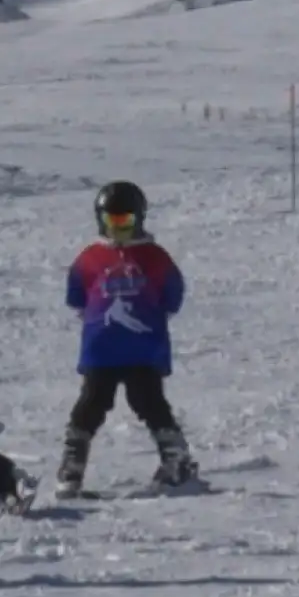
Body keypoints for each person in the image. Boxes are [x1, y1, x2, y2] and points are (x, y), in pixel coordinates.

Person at [57, 180, 199, 499]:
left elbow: (172, 295)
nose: (119, 229)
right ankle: (72, 466)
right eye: (113, 222)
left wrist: (152, 318)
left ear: (139, 219)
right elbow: (76, 295)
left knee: (149, 403)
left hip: (143, 349)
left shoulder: (154, 256)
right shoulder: (90, 257)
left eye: (126, 222)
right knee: (91, 404)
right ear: (101, 220)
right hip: (102, 350)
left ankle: (176, 461)